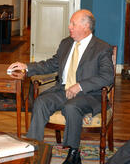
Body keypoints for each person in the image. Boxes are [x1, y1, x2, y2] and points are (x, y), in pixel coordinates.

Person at [8, 9, 114, 164]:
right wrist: (27, 67)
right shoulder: (66, 43)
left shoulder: (102, 48)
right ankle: (34, 147)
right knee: (41, 102)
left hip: (90, 95)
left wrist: (80, 86)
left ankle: (73, 154)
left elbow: (107, 76)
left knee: (71, 107)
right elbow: (52, 64)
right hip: (63, 90)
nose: (69, 26)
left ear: (86, 26)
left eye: (73, 23)